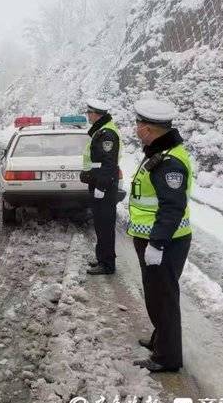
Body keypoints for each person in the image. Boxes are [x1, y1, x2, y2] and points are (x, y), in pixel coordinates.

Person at [128, 97, 193, 373]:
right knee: (156, 295)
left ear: (149, 129)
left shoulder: (168, 162)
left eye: (138, 124)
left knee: (163, 298)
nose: (135, 128)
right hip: (155, 238)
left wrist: (157, 243)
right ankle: (160, 340)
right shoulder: (159, 152)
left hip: (164, 242)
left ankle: (167, 357)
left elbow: (172, 207)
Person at [80, 99, 121, 275]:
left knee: (105, 225)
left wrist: (102, 187)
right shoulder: (101, 131)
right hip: (98, 182)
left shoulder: (107, 134)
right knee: (100, 224)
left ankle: (107, 264)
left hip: (104, 187)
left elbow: (108, 163)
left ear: (96, 114)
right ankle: (102, 259)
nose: (88, 116)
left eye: (89, 113)